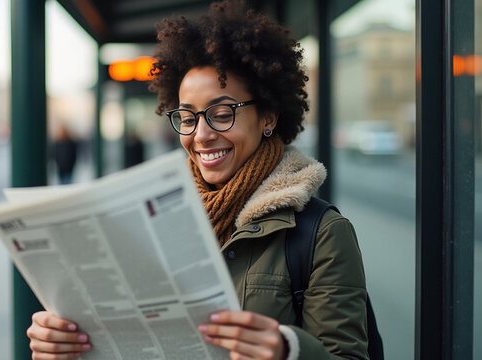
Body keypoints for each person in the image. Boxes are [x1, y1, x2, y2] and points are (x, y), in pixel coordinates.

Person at [26, 1, 369, 359]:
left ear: (268, 116)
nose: (201, 135)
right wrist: (64, 345)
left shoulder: (322, 232)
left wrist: (290, 351)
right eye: (187, 118)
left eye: (221, 114)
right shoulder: (149, 219)